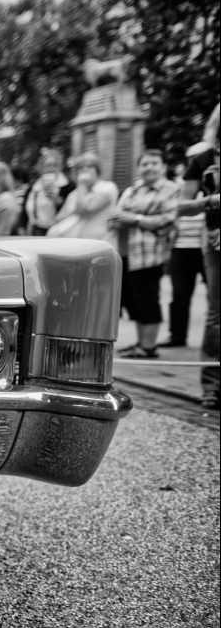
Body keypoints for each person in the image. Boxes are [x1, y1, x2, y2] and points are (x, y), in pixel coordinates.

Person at [108, 149, 180, 359]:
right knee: (135, 301)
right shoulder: (132, 190)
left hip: (150, 254)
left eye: (154, 163)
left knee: (148, 300)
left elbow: (165, 221)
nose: (149, 167)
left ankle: (149, 347)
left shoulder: (171, 189)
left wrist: (132, 218)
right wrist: (142, 219)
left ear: (163, 167)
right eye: (145, 164)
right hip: (127, 253)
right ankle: (141, 343)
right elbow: (114, 217)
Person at [178, 103, 220, 409]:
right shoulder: (203, 159)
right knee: (217, 314)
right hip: (216, 241)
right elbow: (183, 205)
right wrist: (211, 200)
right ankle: (213, 387)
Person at [163, 146, 208, 349]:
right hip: (182, 246)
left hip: (207, 245)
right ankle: (177, 336)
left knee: (214, 294)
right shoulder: (178, 188)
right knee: (180, 294)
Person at [46, 153, 118, 248]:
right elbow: (58, 219)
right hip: (74, 247)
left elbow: (86, 210)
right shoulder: (74, 194)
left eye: (89, 166)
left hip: (99, 247)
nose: (84, 169)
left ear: (97, 170)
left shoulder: (108, 187)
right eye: (80, 168)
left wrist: (82, 184)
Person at [23, 148, 74, 235]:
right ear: (41, 167)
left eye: (54, 165)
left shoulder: (68, 186)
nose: (51, 168)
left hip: (59, 233)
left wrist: (56, 199)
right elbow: (25, 212)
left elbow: (71, 212)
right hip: (37, 232)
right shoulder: (34, 188)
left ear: (60, 166)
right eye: (47, 165)